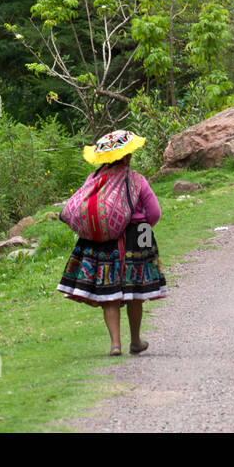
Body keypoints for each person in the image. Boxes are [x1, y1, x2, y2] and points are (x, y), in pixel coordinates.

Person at [57, 130, 166, 356]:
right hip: (137, 236)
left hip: (102, 240)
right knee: (136, 291)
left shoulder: (94, 179)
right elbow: (154, 213)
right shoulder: (137, 180)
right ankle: (135, 341)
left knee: (109, 293)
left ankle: (115, 344)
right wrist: (142, 227)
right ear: (127, 156)